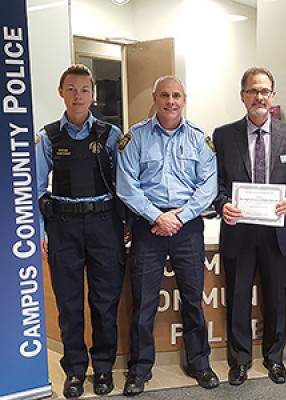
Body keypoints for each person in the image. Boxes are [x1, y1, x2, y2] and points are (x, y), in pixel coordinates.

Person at [116, 76, 219, 396]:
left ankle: (200, 362)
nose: (170, 101)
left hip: (187, 228)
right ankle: (140, 368)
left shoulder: (201, 140)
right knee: (144, 302)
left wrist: (179, 217)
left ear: (184, 99)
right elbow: (126, 186)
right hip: (149, 227)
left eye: (176, 95)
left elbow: (208, 187)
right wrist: (157, 216)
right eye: (164, 95)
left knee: (192, 299)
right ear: (154, 97)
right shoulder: (135, 137)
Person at [212, 67, 286, 386]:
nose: (259, 97)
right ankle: (239, 361)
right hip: (239, 230)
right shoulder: (223, 135)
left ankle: (274, 358)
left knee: (276, 298)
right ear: (242, 97)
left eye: (265, 91)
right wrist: (222, 204)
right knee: (238, 298)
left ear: (273, 96)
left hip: (277, 232)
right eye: (253, 91)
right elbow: (215, 183)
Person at [35, 64, 125, 398]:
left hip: (104, 225)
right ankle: (74, 371)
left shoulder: (111, 135)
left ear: (93, 94)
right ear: (61, 92)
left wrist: (126, 223)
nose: (78, 96)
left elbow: (124, 184)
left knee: (105, 302)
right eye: (71, 89)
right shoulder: (47, 137)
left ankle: (103, 369)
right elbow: (34, 189)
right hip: (64, 227)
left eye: (84, 90)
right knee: (69, 305)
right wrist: (40, 231)